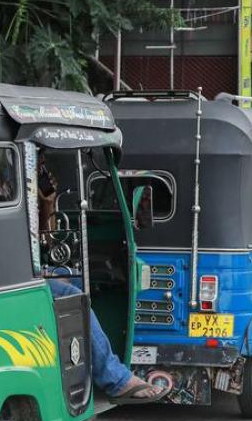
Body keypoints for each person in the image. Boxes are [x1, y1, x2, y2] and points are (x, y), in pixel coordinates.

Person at [38, 154, 166, 404]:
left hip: (29, 271)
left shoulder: (26, 193)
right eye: (39, 161)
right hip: (7, 280)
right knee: (72, 296)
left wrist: (48, 203)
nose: (41, 165)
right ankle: (115, 378)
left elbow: (48, 240)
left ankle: (78, 368)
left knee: (75, 282)